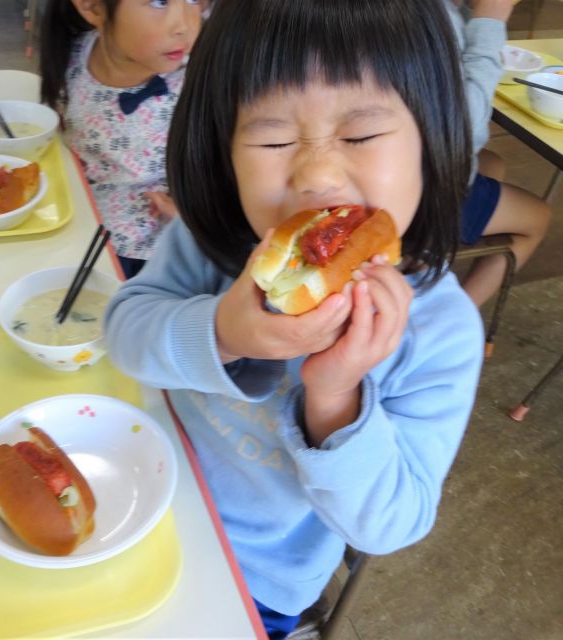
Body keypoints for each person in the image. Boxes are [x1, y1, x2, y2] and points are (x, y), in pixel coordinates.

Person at [105, 0, 484, 637]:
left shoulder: (440, 330)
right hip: (137, 495)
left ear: (430, 136)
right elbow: (124, 335)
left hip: (253, 580)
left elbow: (392, 525)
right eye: (274, 138)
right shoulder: (209, 244)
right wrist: (223, 331)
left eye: (361, 135)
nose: (317, 174)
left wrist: (334, 397)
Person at [39, 0, 203, 279]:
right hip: (76, 232)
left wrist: (192, 216)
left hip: (162, 252)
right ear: (92, 8)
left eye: (194, 0)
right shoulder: (72, 56)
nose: (185, 26)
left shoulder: (200, 79)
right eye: (159, 2)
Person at [445, 0, 551, 306]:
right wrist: (492, 17)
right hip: (413, 192)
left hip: (402, 170)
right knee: (538, 217)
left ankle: (430, 263)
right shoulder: (423, 17)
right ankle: (454, 322)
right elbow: (464, 131)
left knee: (493, 163)